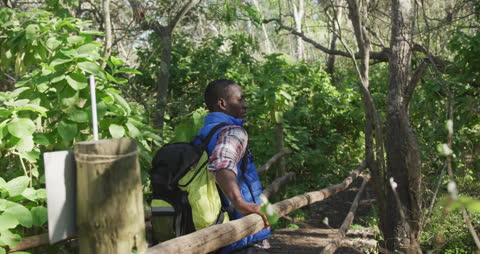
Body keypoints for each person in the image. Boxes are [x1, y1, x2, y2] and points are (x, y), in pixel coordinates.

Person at [195, 79, 270, 253]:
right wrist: (241, 203)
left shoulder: (204, 132)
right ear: (222, 103)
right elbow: (222, 165)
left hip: (216, 228)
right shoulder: (232, 131)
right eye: (240, 100)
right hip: (241, 233)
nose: (245, 105)